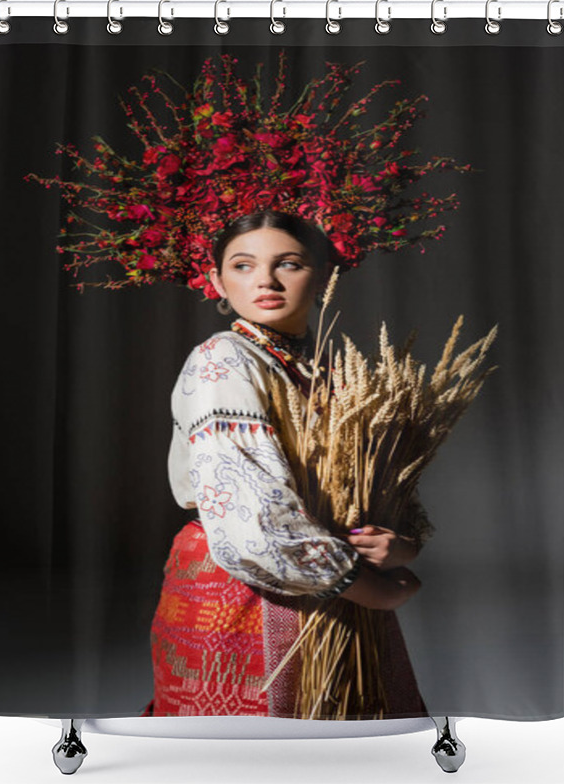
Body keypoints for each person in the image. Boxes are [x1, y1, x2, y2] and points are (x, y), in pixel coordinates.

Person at [146, 210, 434, 718]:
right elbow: (250, 521)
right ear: (216, 280)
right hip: (244, 585)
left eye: (289, 264)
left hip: (341, 582)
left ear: (322, 275)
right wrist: (374, 593)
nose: (265, 280)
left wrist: (399, 543)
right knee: (252, 756)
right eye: (242, 265)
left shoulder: (326, 369)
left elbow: (377, 481)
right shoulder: (223, 359)